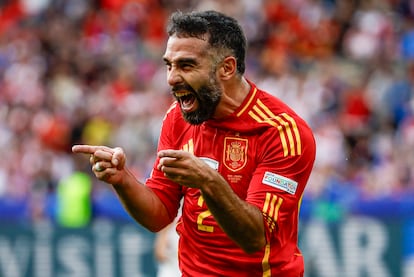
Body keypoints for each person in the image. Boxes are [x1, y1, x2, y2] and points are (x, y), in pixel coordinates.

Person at [72, 10, 316, 276]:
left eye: (186, 65)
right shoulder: (178, 118)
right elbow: (160, 214)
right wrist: (122, 180)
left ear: (227, 68)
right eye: (169, 65)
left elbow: (255, 239)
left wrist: (208, 182)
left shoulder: (282, 132)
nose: (172, 78)